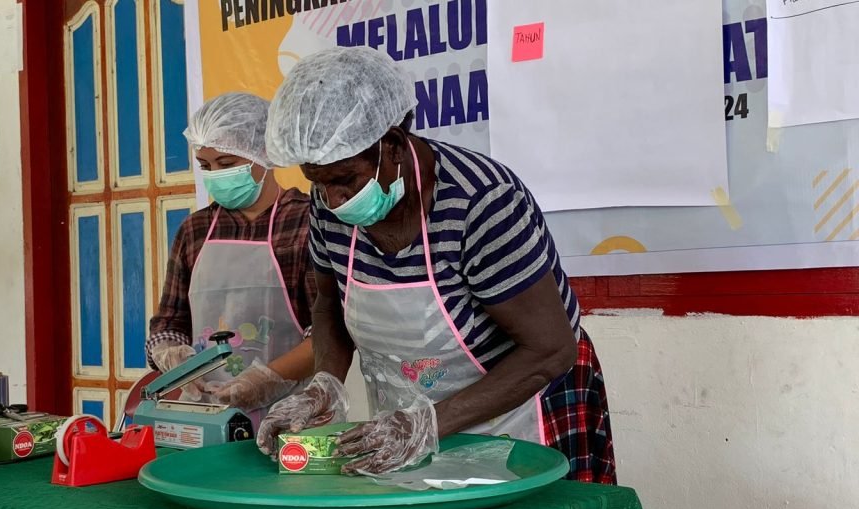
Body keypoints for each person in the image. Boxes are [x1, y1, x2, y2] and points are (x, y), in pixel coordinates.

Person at [257, 47, 616, 484]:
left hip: (523, 411)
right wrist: (325, 382)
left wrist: (424, 425)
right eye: (317, 181)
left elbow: (551, 349)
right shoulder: (329, 206)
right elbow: (328, 305)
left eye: (345, 180)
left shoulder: (480, 203)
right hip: (411, 428)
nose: (332, 199)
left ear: (392, 144)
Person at [145, 92, 316, 429]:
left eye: (226, 164)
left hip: (292, 418)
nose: (215, 176)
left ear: (264, 154)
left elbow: (330, 333)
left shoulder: (307, 222)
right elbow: (168, 324)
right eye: (205, 167)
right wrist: (172, 355)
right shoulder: (195, 230)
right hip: (205, 419)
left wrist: (264, 380)